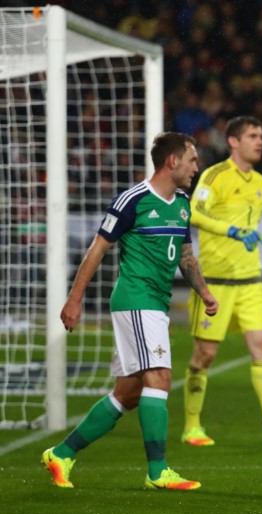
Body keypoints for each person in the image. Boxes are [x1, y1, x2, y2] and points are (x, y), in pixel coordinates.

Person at [43, 132, 218, 490]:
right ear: (172, 162)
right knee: (160, 377)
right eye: (192, 160)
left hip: (156, 303)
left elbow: (185, 256)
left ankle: (61, 453)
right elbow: (97, 250)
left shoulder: (182, 203)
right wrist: (74, 299)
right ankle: (158, 472)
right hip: (136, 300)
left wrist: (205, 292)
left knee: (129, 393)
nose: (196, 167)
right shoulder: (133, 200)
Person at [182, 116, 262, 446]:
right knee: (205, 355)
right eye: (253, 136)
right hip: (215, 281)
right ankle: (192, 426)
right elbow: (193, 214)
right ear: (233, 142)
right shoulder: (215, 176)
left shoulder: (260, 182)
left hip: (251, 280)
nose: (260, 141)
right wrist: (230, 230)